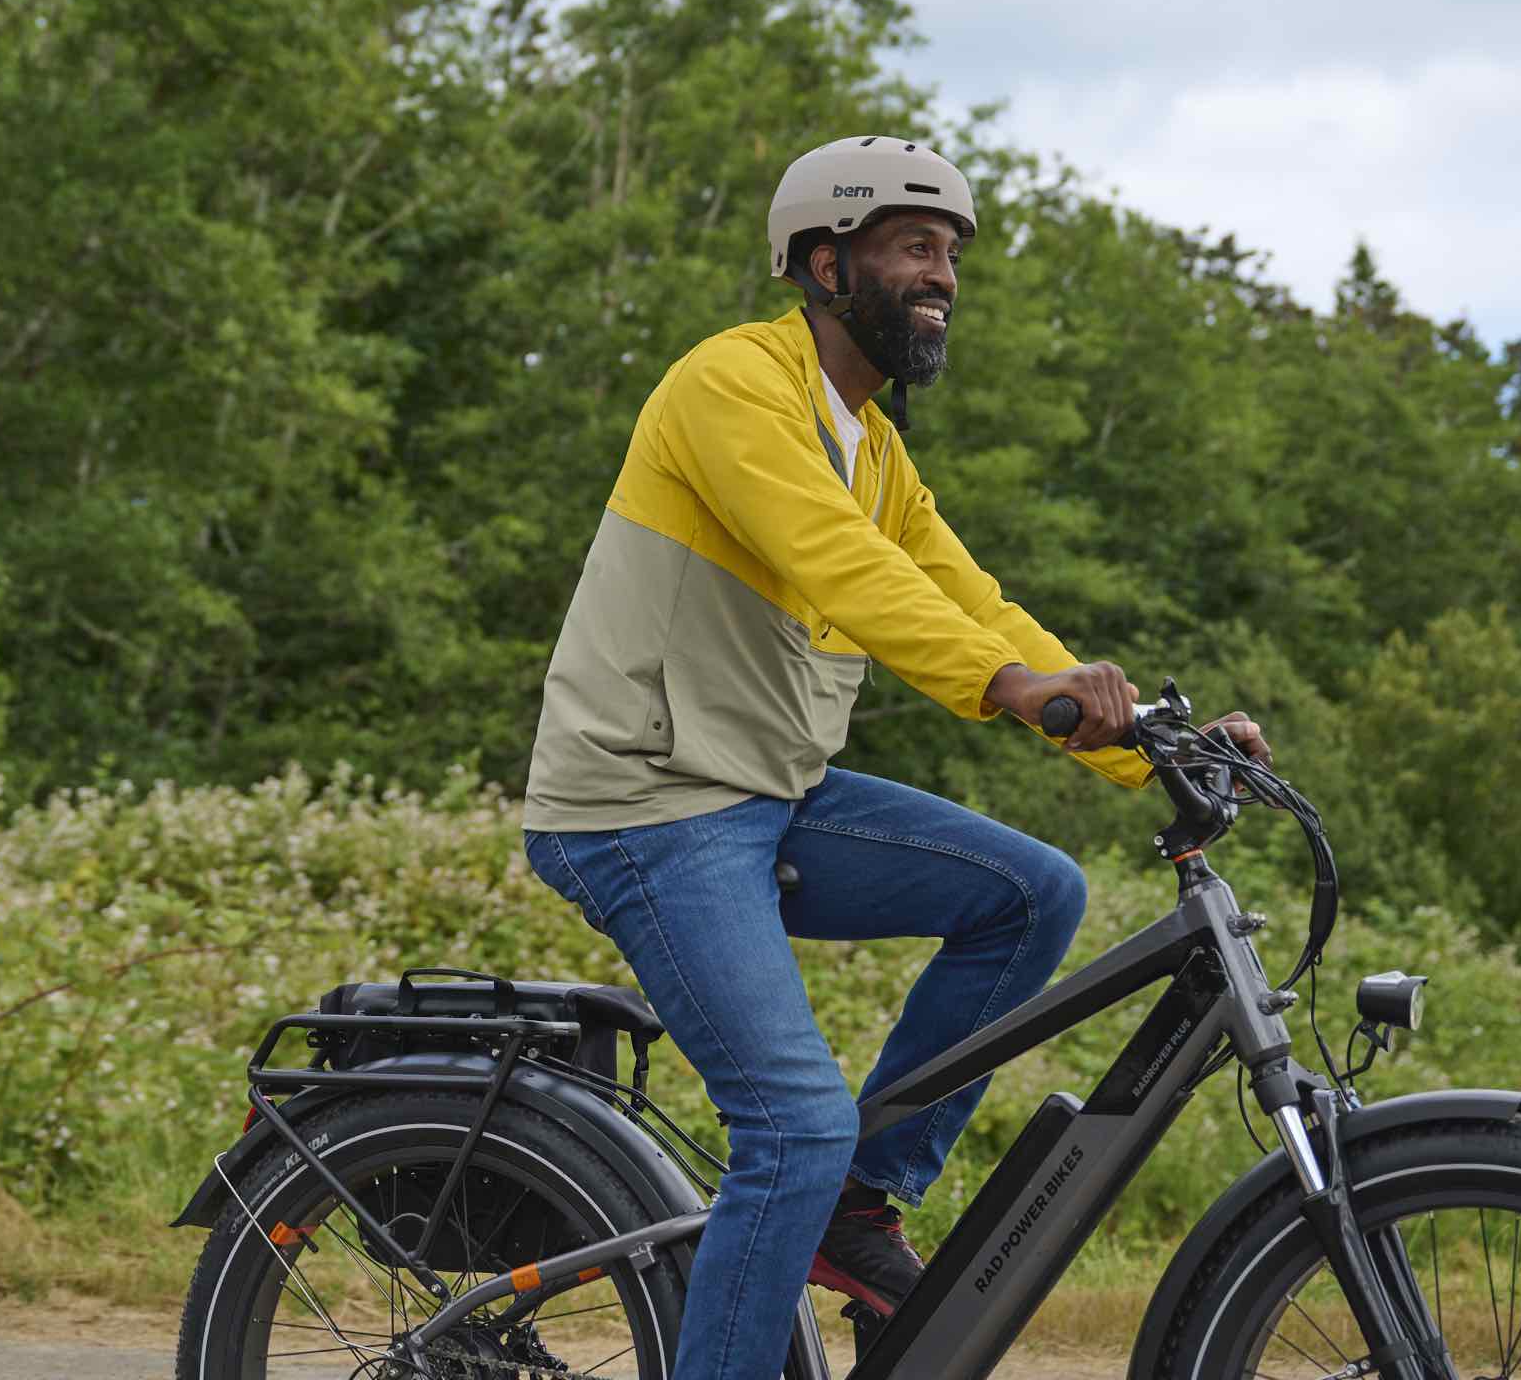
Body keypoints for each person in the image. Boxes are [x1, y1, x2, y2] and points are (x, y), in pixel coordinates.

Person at [520, 135, 1268, 1380]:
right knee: (793, 1123)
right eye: (916, 247)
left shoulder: (876, 450)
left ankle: (862, 1207)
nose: (946, 275)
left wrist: (1153, 745)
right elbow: (843, 567)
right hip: (645, 806)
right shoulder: (730, 386)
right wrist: (1015, 691)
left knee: (1036, 891)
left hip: (770, 793)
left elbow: (973, 600)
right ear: (825, 260)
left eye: (953, 254)